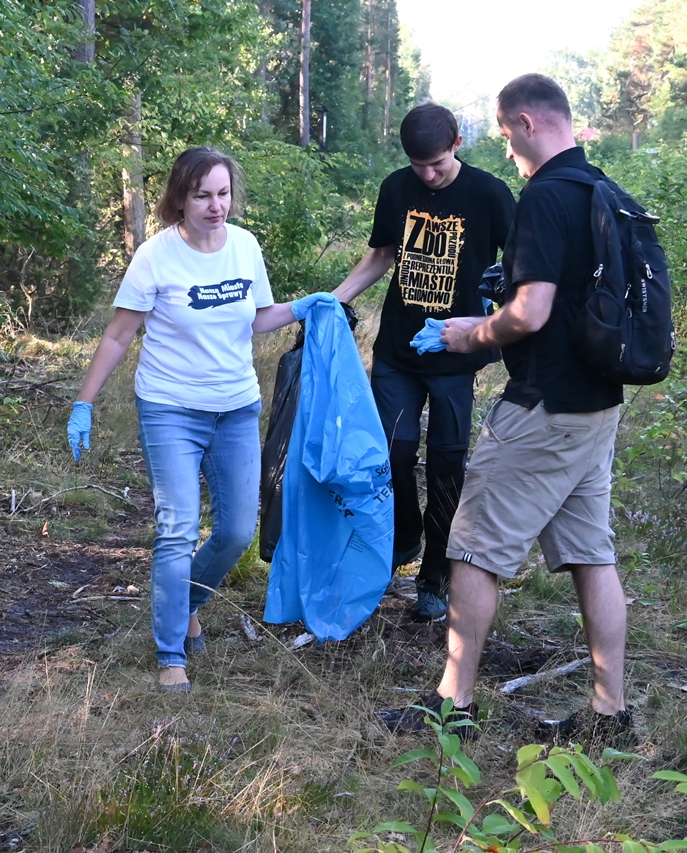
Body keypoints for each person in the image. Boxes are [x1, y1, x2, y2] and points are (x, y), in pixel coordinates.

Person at [380, 74, 632, 747]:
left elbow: (531, 312)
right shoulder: (601, 188)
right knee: (591, 554)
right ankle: (610, 715)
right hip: (596, 405)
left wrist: (472, 333)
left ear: (526, 122)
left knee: (471, 546)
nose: (509, 152)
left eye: (506, 136)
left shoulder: (545, 194)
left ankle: (452, 706)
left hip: (543, 405)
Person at [67, 146, 331, 692]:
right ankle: (171, 653)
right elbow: (119, 333)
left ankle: (183, 602)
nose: (216, 206)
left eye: (223, 194)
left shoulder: (246, 247)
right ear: (180, 199)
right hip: (170, 407)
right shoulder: (155, 256)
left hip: (236, 407)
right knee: (177, 529)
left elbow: (259, 319)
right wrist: (84, 402)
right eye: (203, 195)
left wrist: (305, 305)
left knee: (235, 532)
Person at [332, 103, 515, 623]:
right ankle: (405, 537)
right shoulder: (396, 188)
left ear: (456, 144)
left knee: (446, 467)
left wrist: (499, 321)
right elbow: (381, 255)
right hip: (399, 349)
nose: (428, 175)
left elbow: (520, 267)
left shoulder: (489, 194)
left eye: (436, 164)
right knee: (391, 450)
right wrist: (334, 300)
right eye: (418, 166)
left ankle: (434, 577)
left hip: (457, 355)